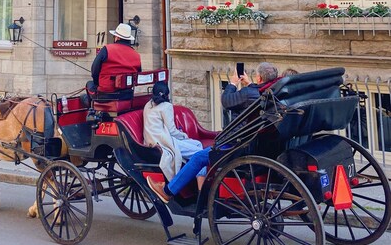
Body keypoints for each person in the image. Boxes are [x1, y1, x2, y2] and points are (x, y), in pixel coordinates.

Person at [146, 63, 280, 204]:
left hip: (237, 146)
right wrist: (251, 84)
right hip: (257, 144)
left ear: (259, 78)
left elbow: (226, 101)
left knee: (198, 157)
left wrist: (233, 83)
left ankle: (168, 191)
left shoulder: (248, 94)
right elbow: (256, 95)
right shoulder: (272, 93)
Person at [143, 81, 204, 180]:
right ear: (167, 94)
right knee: (200, 153)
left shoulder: (147, 105)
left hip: (151, 140)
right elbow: (172, 131)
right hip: (164, 143)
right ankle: (199, 186)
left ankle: (192, 173)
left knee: (198, 144)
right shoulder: (166, 106)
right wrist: (184, 136)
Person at [88, 22, 141, 95]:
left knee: (89, 84)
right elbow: (138, 73)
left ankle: (92, 105)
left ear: (117, 37)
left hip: (106, 92)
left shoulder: (107, 49)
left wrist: (97, 84)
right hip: (126, 92)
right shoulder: (136, 55)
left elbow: (94, 70)